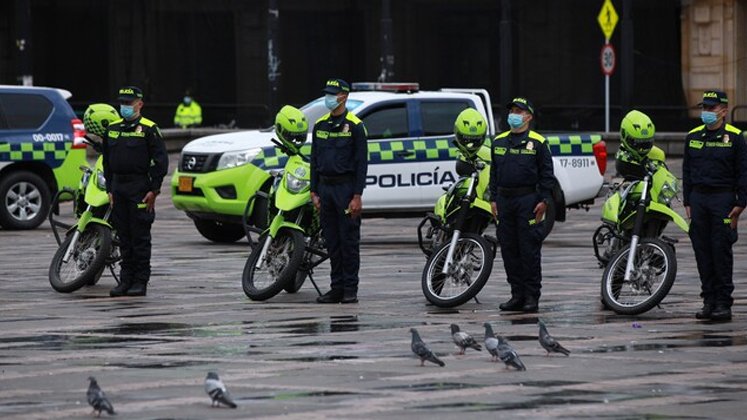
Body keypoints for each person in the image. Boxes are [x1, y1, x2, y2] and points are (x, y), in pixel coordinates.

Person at [683, 89, 747, 321]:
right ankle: (709, 301)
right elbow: (687, 172)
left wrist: (741, 204)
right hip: (699, 200)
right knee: (702, 251)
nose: (707, 112)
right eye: (704, 108)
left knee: (721, 251)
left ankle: (723, 303)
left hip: (723, 200)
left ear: (724, 110)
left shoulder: (736, 137)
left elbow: (743, 173)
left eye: (711, 108)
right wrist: (688, 201)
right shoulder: (693, 137)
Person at [489, 97, 555, 313]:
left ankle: (531, 297)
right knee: (509, 249)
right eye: (512, 111)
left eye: (519, 111)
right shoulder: (498, 142)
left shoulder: (538, 143)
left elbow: (547, 175)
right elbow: (493, 173)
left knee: (529, 250)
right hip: (504, 201)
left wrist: (544, 200)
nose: (514, 115)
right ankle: (516, 295)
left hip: (528, 201)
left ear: (528, 116)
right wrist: (493, 199)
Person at [103, 86, 169, 297]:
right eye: (122, 103)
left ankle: (140, 281)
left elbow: (161, 162)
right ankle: (125, 280)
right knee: (123, 236)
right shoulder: (112, 128)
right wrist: (110, 189)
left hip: (139, 187)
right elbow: (106, 161)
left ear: (139, 104)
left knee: (139, 236)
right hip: (118, 187)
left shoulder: (149, 129)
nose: (125, 107)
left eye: (129, 103)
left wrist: (154, 189)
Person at [310, 78, 368, 304]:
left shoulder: (355, 126)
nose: (329, 98)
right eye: (327, 94)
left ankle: (350, 289)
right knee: (332, 241)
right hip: (325, 189)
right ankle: (336, 288)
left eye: (333, 94)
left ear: (344, 96)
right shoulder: (320, 125)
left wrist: (357, 195)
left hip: (345, 190)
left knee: (348, 241)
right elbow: (314, 160)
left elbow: (361, 164)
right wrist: (314, 191)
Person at [615, 110, 664, 181]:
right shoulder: (622, 157)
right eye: (636, 143)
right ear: (624, 135)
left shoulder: (658, 156)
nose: (642, 149)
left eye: (646, 143)